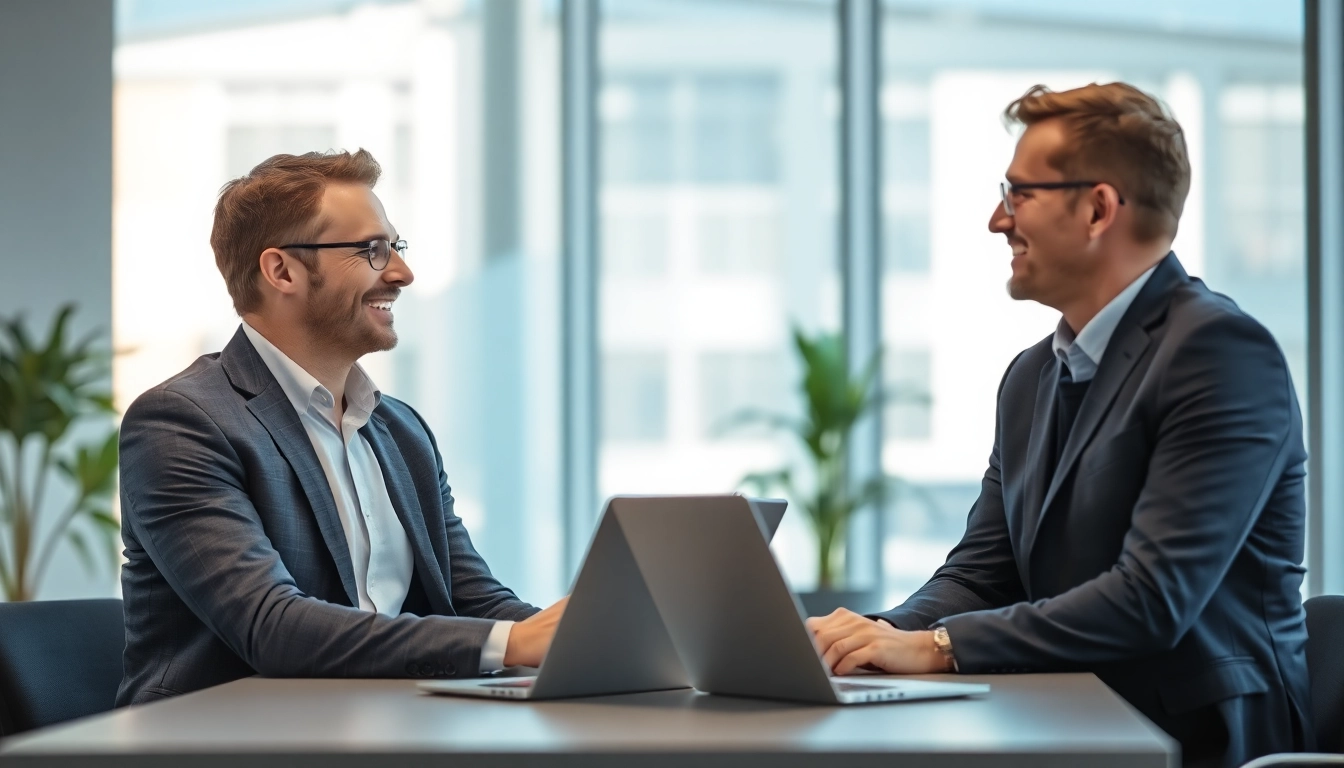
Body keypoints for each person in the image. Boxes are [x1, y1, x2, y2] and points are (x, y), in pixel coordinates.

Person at [806, 83, 1312, 767]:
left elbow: (1151, 599)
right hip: (1062, 724)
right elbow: (982, 574)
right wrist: (873, 635)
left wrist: (937, 648)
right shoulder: (1029, 377)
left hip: (1193, 742)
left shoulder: (1220, 354)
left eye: (1019, 194)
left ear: (1099, 208)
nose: (996, 219)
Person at [117, 149, 565, 706]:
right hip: (223, 740)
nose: (401, 273)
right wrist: (516, 642)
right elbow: (271, 625)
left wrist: (584, 646)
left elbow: (472, 600)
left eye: (395, 248)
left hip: (383, 727)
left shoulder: (400, 430)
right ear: (282, 271)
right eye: (373, 251)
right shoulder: (182, 422)